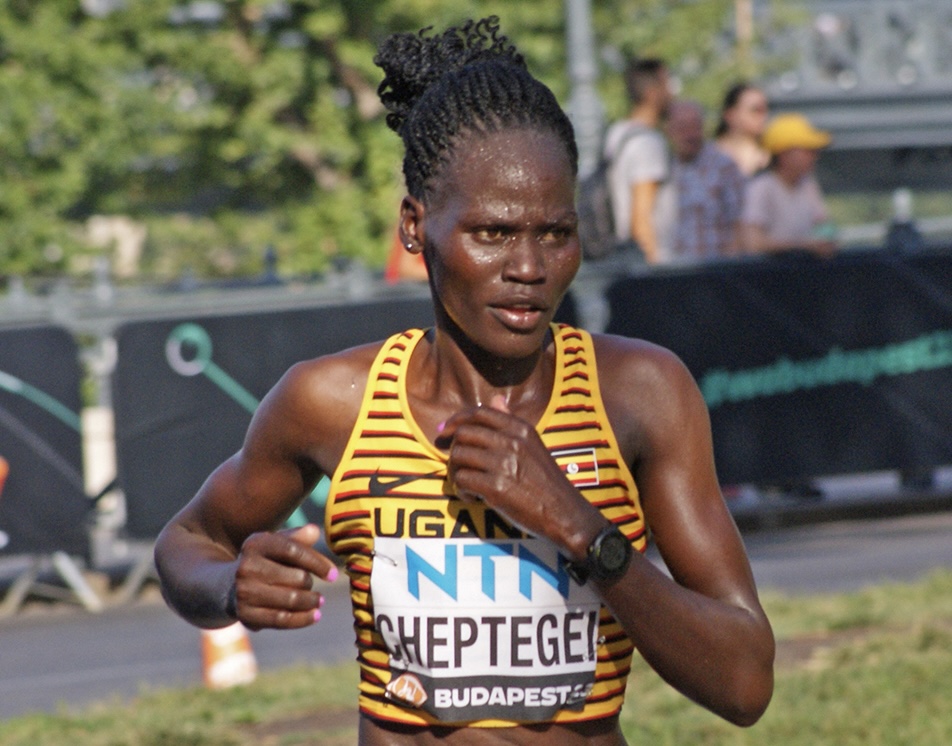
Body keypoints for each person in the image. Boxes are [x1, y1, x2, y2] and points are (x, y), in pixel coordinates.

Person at [154, 17, 774, 744]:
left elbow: (744, 682)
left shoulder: (638, 392)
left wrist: (580, 529)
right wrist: (229, 587)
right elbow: (189, 540)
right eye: (493, 233)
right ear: (417, 228)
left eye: (556, 232)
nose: (529, 269)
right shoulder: (333, 403)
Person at [605, 58, 675, 265]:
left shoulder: (617, 133)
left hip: (623, 258)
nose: (673, 93)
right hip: (649, 265)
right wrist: (654, 273)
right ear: (652, 92)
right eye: (668, 85)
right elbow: (641, 219)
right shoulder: (648, 143)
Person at [740, 112, 838, 257]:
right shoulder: (762, 188)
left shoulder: (807, 185)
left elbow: (824, 226)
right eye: (807, 150)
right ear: (784, 154)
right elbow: (753, 243)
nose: (814, 156)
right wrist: (804, 246)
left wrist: (827, 240)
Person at [664, 99, 745, 263]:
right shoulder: (664, 167)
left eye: (695, 127)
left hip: (714, 271)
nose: (690, 134)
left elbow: (740, 222)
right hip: (673, 272)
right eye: (683, 128)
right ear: (669, 130)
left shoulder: (723, 166)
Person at [714, 82, 770, 178]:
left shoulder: (770, 158)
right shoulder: (707, 156)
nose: (763, 117)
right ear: (730, 114)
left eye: (764, 110)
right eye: (755, 110)